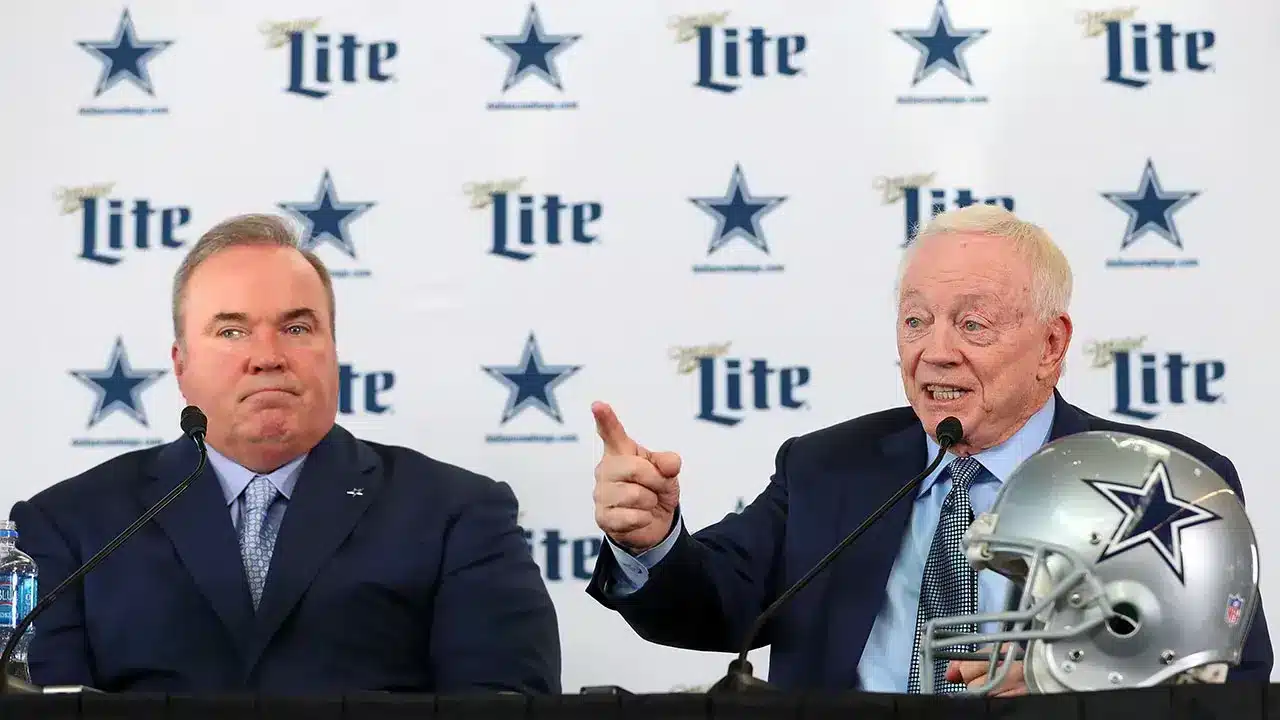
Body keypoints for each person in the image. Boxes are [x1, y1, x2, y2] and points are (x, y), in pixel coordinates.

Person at [585, 204, 1273, 695]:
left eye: (971, 324)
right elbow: (712, 608)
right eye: (915, 320)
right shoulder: (826, 467)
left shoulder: (1155, 479)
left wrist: (1069, 683)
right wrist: (650, 542)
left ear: (1052, 345)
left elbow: (1227, 683)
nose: (934, 352)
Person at [11, 214, 561, 694]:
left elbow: (507, 702)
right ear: (180, 365)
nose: (267, 357)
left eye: (296, 327)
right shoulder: (69, 525)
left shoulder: (458, 513)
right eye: (231, 331)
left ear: (334, 353)